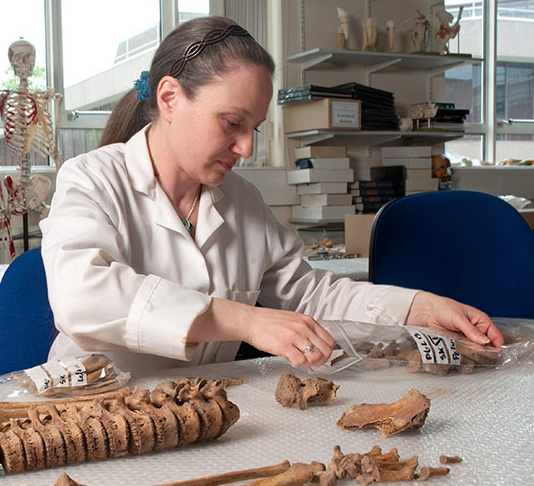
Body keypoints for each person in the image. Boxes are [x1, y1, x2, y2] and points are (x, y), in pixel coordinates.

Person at [39, 16, 503, 377]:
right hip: (94, 416)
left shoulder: (239, 199)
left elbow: (309, 294)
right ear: (169, 98)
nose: (246, 148)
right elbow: (82, 296)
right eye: (232, 123)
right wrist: (245, 321)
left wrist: (419, 307)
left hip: (199, 417)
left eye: (254, 128)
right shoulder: (92, 179)